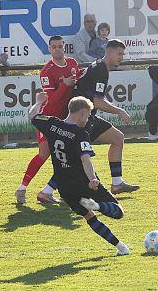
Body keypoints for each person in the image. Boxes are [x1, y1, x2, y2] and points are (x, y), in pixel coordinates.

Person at [31, 95, 130, 256]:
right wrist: (92, 179)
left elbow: (32, 116)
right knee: (118, 212)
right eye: (89, 114)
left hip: (64, 188)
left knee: (89, 217)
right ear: (83, 113)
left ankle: (121, 247)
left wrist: (38, 103)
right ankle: (97, 206)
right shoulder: (80, 134)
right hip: (83, 182)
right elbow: (85, 160)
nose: (90, 117)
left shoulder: (51, 124)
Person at [47, 40, 139, 195]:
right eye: (119, 53)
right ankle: (47, 190)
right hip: (81, 118)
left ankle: (117, 183)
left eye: (123, 54)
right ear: (109, 52)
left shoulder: (99, 66)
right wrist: (119, 111)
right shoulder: (101, 69)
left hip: (86, 116)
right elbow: (96, 102)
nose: (121, 57)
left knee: (117, 138)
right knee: (77, 157)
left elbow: (95, 98)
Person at [16, 35, 79, 205]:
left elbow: (77, 82)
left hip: (64, 118)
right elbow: (51, 100)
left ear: (64, 47)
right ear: (49, 49)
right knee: (44, 154)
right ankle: (22, 188)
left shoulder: (72, 63)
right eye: (54, 47)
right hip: (46, 118)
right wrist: (65, 84)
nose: (58, 49)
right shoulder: (47, 70)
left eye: (60, 46)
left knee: (67, 156)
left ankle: (49, 191)